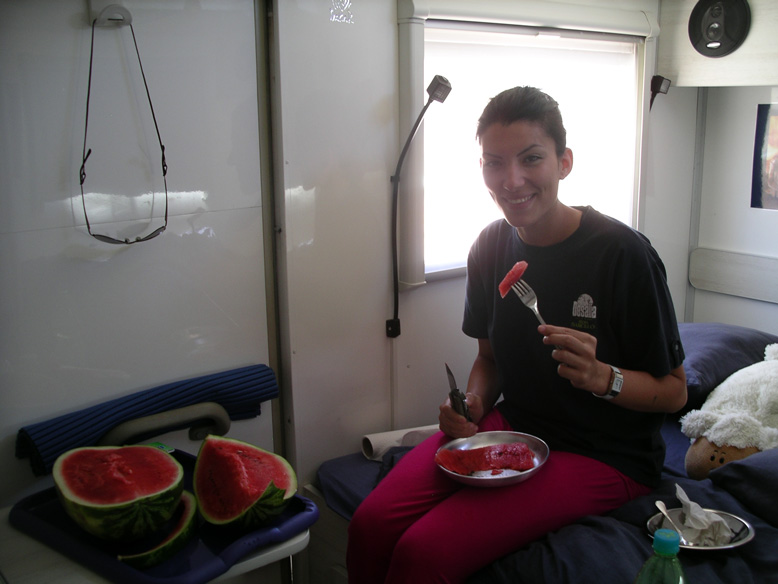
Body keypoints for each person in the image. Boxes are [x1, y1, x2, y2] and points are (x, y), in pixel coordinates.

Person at [347, 86, 687, 584]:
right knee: (371, 524)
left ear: (564, 162)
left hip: (606, 453)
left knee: (424, 554)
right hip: (517, 425)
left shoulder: (623, 254)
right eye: (494, 163)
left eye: (531, 159)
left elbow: (674, 391)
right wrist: (474, 403)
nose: (512, 180)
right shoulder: (489, 246)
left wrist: (603, 378)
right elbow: (489, 360)